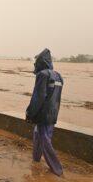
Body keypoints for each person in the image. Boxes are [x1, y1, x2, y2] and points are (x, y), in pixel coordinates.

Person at [26, 48, 64, 176]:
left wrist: (30, 113)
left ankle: (57, 170)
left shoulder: (42, 75)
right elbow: (57, 98)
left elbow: (38, 96)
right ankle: (36, 160)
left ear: (40, 62)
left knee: (44, 140)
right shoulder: (58, 75)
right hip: (53, 113)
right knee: (39, 135)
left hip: (43, 114)